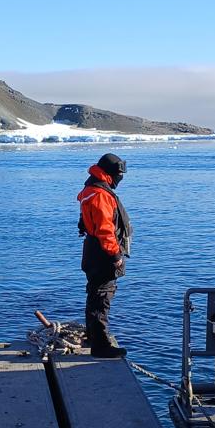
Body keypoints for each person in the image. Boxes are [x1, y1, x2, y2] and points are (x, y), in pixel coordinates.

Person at [77, 153, 132, 359]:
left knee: (95, 293)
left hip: (92, 249)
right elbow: (105, 229)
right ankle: (100, 345)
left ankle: (93, 336)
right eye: (119, 173)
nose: (121, 178)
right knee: (102, 295)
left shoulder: (91, 189)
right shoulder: (101, 194)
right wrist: (115, 255)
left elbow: (88, 220)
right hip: (102, 252)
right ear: (111, 173)